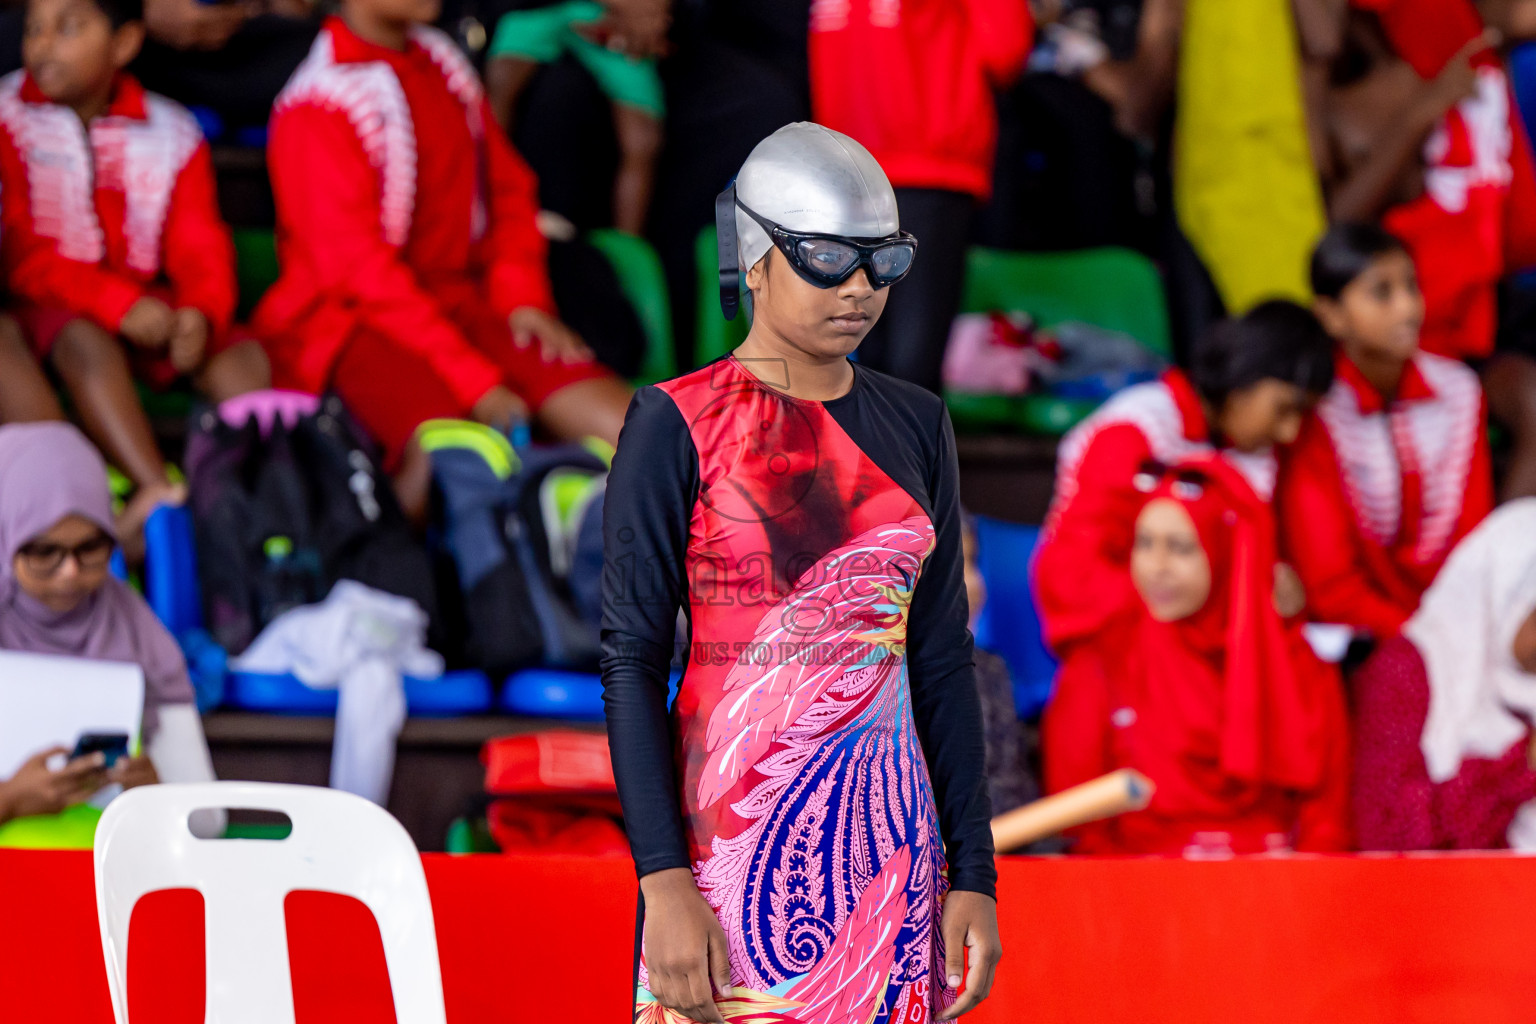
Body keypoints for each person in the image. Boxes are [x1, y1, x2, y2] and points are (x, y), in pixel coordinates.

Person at [601, 123, 998, 1024]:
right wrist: (663, 881)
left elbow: (937, 660)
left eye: (882, 263)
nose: (858, 290)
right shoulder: (678, 421)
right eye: (826, 260)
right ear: (754, 255)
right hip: (725, 852)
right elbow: (630, 661)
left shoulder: (918, 424)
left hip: (894, 856)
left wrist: (971, 872)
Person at [255, 0, 633, 521]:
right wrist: (475, 382)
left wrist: (522, 299)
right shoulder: (316, 102)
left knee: (638, 435)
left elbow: (507, 191)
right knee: (458, 464)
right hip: (356, 327)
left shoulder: (441, 63)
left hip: (470, 307)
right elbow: (359, 276)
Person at [0, 0, 270, 547]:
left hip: (152, 312)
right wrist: (116, 305)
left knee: (241, 357)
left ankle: (258, 512)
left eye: (68, 27)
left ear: (124, 44)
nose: (43, 44)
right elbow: (20, 254)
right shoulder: (7, 118)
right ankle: (157, 498)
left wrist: (200, 310)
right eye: (33, 29)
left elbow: (200, 243)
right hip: (56, 311)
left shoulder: (170, 129)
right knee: (84, 341)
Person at [1043, 456, 1352, 856]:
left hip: (1277, 892)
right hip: (1141, 896)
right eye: (1144, 543)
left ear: (1226, 551)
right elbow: (1083, 833)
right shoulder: (1102, 660)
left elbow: (1326, 827)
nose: (1156, 567)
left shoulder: (1298, 663)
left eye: (1181, 548)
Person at [1033, 300, 1335, 658]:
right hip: (1127, 656)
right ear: (1243, 375)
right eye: (1284, 408)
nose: (1290, 432)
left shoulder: (1250, 446)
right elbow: (1072, 578)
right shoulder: (1136, 431)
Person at [1277, 224, 1493, 639]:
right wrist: (1422, 638)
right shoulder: (1314, 410)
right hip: (1362, 635)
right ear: (1331, 316)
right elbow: (1331, 588)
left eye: (1412, 287)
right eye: (1382, 293)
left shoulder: (1458, 390)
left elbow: (1473, 538)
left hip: (1457, 622)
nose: (1409, 308)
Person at [810, 0, 1033, 393]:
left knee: (862, 353)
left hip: (845, 166)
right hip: (928, 162)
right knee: (910, 367)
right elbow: (1006, 49)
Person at [0, 422, 216, 804]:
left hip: (103, 866)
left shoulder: (141, 636)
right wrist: (11, 799)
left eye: (91, 547)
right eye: (44, 552)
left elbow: (207, 818)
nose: (70, 571)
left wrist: (154, 797)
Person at [1352, 499, 1536, 850]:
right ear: (1501, 597)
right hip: (1441, 900)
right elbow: (1386, 833)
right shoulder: (1406, 671)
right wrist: (1518, 768)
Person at [483, 0, 664, 235]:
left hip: (610, 23)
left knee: (643, 139)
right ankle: (485, 207)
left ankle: (628, 246)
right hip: (545, 8)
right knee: (499, 81)